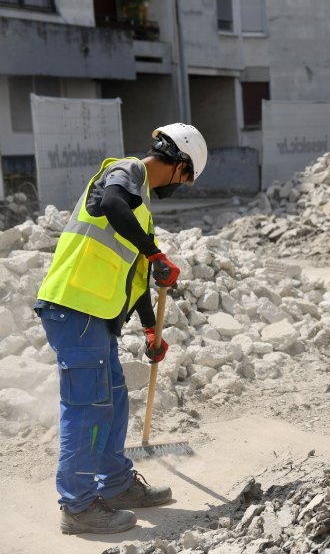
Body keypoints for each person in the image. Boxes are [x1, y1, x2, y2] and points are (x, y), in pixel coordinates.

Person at [34, 123, 208, 534]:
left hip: (96, 317)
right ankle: (77, 507)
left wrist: (151, 330)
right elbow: (111, 202)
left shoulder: (140, 213)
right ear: (180, 164)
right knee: (88, 409)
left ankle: (114, 485)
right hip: (74, 306)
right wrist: (156, 253)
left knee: (112, 402)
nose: (182, 186)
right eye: (187, 178)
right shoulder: (127, 172)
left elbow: (139, 279)